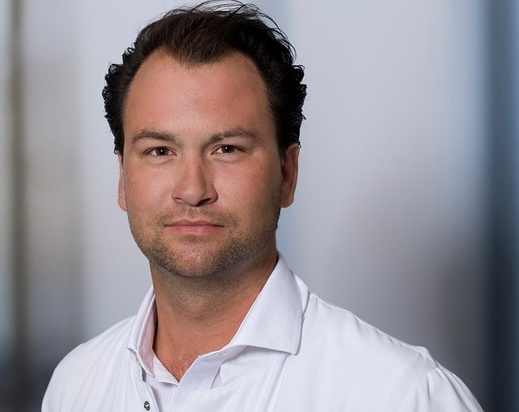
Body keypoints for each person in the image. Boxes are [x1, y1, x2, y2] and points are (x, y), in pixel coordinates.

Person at [42, 1, 482, 410]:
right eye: (160, 151)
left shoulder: (402, 395)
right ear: (123, 177)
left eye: (227, 149)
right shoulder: (76, 385)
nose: (192, 190)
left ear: (287, 173)